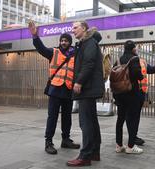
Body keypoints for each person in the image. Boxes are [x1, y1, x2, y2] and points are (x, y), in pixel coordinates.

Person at [28, 21, 80, 155]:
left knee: (67, 117)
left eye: (66, 40)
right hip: (55, 90)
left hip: (68, 89)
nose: (63, 42)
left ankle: (66, 140)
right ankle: (48, 142)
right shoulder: (53, 52)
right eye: (62, 40)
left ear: (70, 42)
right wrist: (35, 36)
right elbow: (41, 49)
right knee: (52, 117)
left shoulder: (76, 54)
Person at [66, 21, 105, 167]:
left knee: (86, 123)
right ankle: (94, 152)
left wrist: (79, 82)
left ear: (84, 29)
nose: (73, 30)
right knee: (92, 122)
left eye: (75, 28)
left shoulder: (89, 42)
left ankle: (85, 155)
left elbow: (88, 63)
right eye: (72, 28)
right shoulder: (86, 43)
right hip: (90, 88)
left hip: (87, 88)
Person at [113, 40, 144, 154]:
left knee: (120, 119)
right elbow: (137, 74)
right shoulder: (134, 59)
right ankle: (130, 146)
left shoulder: (118, 60)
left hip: (120, 94)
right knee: (133, 119)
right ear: (133, 49)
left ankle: (119, 145)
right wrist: (140, 76)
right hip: (131, 94)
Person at [135, 59, 155, 146]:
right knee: (129, 117)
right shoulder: (126, 61)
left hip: (140, 92)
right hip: (129, 93)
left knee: (134, 116)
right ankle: (126, 140)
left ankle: (132, 136)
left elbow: (151, 70)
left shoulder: (142, 62)